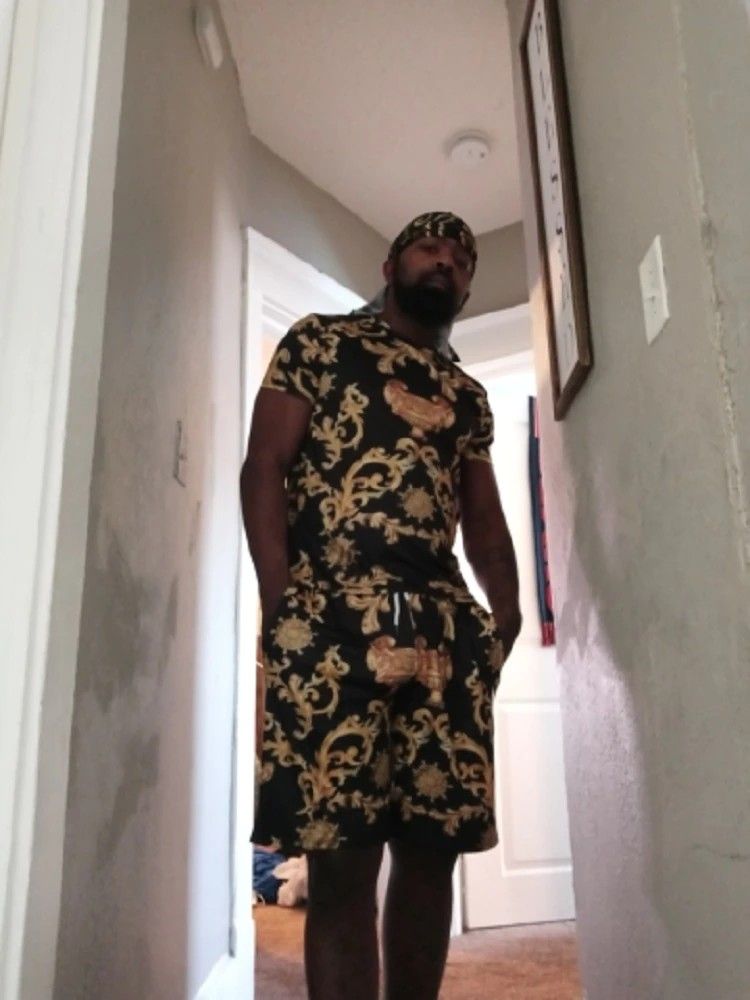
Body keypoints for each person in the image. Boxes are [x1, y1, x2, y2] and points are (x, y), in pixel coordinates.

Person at [240, 211, 522, 1000]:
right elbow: (264, 464)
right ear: (392, 265)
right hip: (331, 626)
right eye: (431, 248)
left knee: (431, 859)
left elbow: (485, 518)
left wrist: (505, 616)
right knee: (343, 863)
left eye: (462, 259)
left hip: (443, 636)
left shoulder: (465, 395)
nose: (447, 262)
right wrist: (279, 599)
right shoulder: (319, 343)